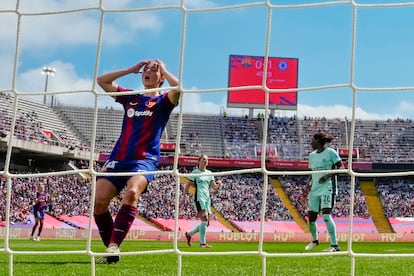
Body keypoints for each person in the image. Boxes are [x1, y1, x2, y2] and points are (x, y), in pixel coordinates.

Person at [94, 59, 180, 264]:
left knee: (132, 193)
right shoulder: (130, 97)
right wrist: (130, 69)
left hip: (144, 160)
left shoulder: (164, 100)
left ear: (160, 79)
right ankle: (111, 251)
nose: (148, 72)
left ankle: (114, 246)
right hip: (118, 159)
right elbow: (101, 81)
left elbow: (178, 88)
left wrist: (165, 69)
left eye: (154, 70)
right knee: (99, 203)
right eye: (146, 70)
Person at [304, 132, 344, 252]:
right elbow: (312, 173)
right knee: (311, 218)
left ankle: (334, 245)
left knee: (326, 215)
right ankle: (315, 240)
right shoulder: (311, 156)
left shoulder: (330, 152)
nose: (311, 143)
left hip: (327, 187)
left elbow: (341, 168)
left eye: (313, 140)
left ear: (318, 141)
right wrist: (307, 187)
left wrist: (326, 176)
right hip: (314, 189)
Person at [182, 154, 222, 248]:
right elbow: (188, 184)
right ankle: (202, 243)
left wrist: (219, 184)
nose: (206, 161)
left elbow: (214, 187)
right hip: (199, 198)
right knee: (204, 220)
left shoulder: (209, 173)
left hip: (207, 199)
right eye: (204, 159)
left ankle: (189, 234)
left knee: (206, 223)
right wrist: (184, 196)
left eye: (207, 159)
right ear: (199, 161)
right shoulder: (195, 172)